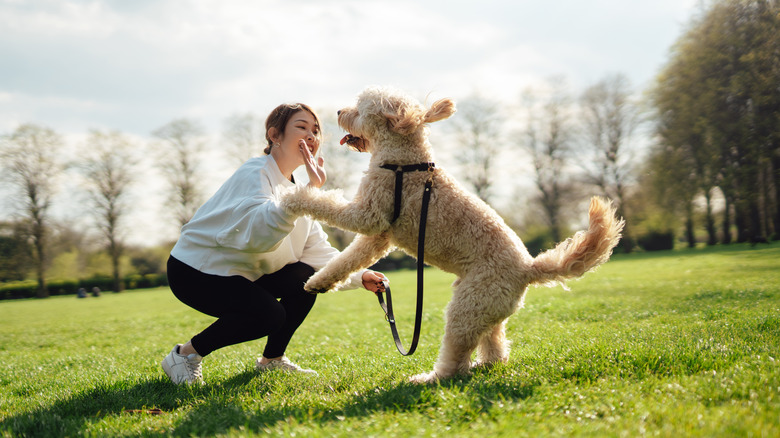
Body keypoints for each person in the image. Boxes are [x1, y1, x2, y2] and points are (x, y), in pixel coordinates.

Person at [161, 103, 387, 385]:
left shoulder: (297, 191)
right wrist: (308, 193)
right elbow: (257, 236)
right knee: (269, 315)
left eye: (315, 130)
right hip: (196, 272)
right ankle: (185, 355)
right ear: (275, 136)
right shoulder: (254, 173)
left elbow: (317, 253)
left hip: (240, 275)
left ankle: (271, 360)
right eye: (301, 127)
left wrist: (360, 275)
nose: (312, 135)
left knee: (309, 278)